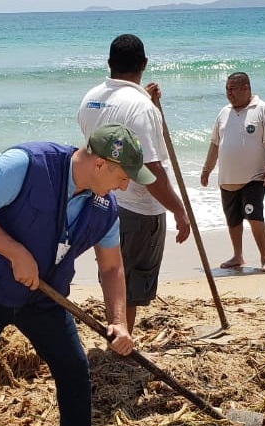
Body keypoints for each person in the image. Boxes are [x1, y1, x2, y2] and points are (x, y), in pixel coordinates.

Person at [0, 123, 155, 426]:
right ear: (100, 164)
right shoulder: (25, 165)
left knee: (73, 366)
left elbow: (112, 267)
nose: (124, 186)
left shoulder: (105, 207)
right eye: (123, 177)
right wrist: (14, 252)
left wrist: (119, 321)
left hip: (42, 295)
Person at [78, 34, 191, 333]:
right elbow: (150, 168)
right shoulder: (141, 107)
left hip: (100, 198)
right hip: (138, 207)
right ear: (144, 64)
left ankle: (116, 335)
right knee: (130, 282)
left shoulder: (91, 98)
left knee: (111, 272)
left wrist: (148, 103)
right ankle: (122, 341)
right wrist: (179, 210)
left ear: (109, 63)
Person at [200, 72, 265, 273]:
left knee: (254, 215)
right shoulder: (224, 113)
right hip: (227, 178)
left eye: (233, 89)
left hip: (254, 177)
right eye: (227, 89)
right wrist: (207, 168)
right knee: (233, 219)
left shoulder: (263, 110)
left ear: (246, 88)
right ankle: (237, 256)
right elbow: (215, 144)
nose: (229, 94)